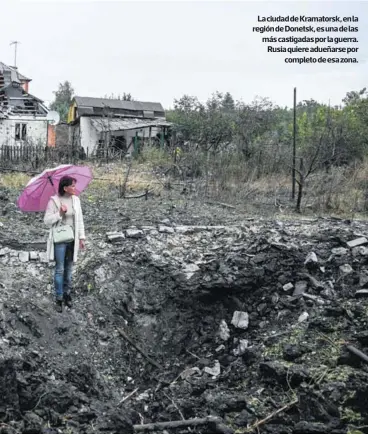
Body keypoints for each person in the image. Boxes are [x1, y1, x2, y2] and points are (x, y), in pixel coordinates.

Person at [44, 176, 86, 312]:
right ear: (65, 188)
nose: (75, 188)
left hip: (72, 239)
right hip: (60, 240)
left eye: (75, 185)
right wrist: (59, 213)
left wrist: (82, 238)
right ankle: (59, 297)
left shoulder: (76, 200)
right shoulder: (53, 201)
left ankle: (67, 294)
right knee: (60, 269)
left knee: (69, 269)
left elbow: (79, 220)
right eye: (72, 186)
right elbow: (47, 221)